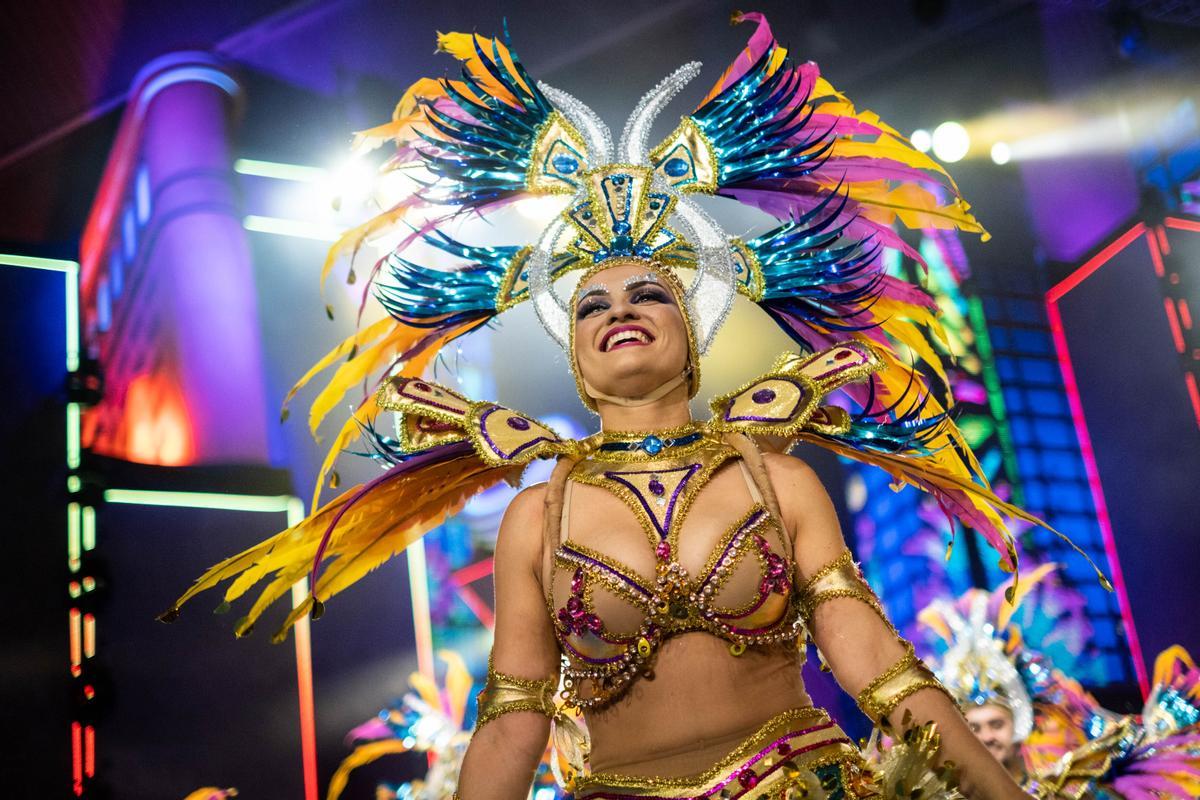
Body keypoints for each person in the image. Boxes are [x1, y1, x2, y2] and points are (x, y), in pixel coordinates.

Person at [164, 12, 1106, 799]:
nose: (620, 311)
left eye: (647, 294)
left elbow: (886, 677)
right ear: (574, 356)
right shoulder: (541, 512)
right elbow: (514, 715)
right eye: (593, 305)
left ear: (690, 335)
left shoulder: (777, 480)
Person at [919, 568, 1200, 799]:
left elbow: (1125, 743)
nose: (987, 736)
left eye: (996, 724)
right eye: (974, 728)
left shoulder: (1066, 782)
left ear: (1019, 727)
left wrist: (1163, 731)